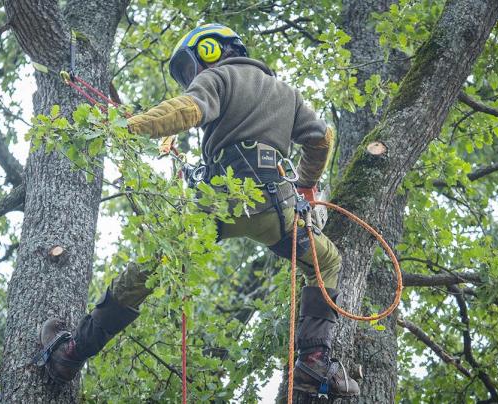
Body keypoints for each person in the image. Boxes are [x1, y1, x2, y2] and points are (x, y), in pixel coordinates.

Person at [37, 23, 360, 398]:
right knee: (328, 262)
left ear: (211, 49)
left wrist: (127, 125)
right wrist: (305, 184)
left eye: (192, 68)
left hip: (217, 207)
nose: (194, 78)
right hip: (276, 210)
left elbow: (185, 109)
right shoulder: (287, 93)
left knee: (154, 267)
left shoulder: (220, 77)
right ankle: (315, 358)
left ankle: (71, 354)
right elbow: (321, 139)